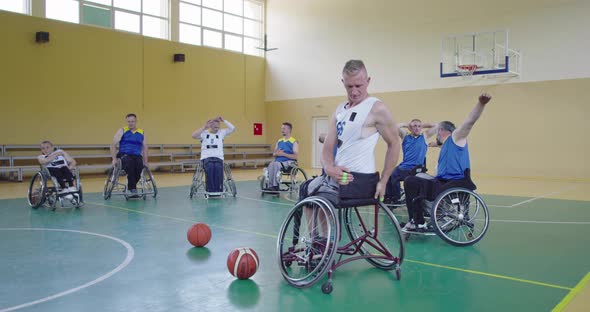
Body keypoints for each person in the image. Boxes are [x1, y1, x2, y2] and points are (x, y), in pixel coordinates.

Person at [300, 59, 400, 238]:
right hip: (337, 178)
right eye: (349, 86)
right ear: (343, 83)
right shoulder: (340, 110)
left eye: (359, 85)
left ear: (368, 81)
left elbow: (394, 143)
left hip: (359, 180)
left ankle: (324, 242)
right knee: (306, 188)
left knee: (318, 195)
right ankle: (317, 241)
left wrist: (384, 181)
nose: (354, 91)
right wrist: (330, 168)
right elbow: (327, 149)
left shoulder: (376, 108)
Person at [403, 93, 492, 231]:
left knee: (413, 182)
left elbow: (469, 122)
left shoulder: (457, 136)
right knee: (414, 178)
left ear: (441, 130)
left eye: (437, 132)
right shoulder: (446, 145)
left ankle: (422, 218)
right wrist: (436, 145)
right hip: (443, 182)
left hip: (453, 183)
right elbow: (444, 147)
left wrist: (481, 104)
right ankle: (417, 219)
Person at [384, 119, 437, 206]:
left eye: (419, 127)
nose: (417, 128)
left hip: (416, 169)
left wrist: (421, 125)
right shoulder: (405, 136)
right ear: (410, 128)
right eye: (414, 126)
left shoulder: (424, 136)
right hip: (404, 167)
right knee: (389, 174)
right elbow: (394, 126)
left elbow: (437, 126)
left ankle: (395, 197)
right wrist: (406, 124)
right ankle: (394, 198)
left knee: (393, 175)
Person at [192, 116, 236, 193]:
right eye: (215, 126)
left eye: (218, 126)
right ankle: (210, 190)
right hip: (206, 158)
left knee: (218, 169)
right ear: (211, 126)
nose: (217, 128)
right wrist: (204, 127)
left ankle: (218, 189)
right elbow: (194, 135)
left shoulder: (222, 133)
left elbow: (233, 128)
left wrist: (224, 120)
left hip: (218, 158)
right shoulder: (204, 133)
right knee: (210, 168)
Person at [110, 113, 148, 197]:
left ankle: (130, 187)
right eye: (129, 121)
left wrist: (146, 161)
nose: (130, 123)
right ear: (126, 121)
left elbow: (145, 147)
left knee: (139, 166)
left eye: (132, 121)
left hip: (137, 155)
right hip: (124, 155)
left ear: (136, 121)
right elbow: (113, 145)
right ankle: (133, 189)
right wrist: (114, 159)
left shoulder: (141, 132)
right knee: (130, 163)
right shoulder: (122, 130)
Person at [264, 122, 299, 192]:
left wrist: (283, 154)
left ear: (289, 130)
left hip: (289, 162)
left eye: (284, 128)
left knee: (276, 164)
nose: (282, 130)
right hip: (278, 161)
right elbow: (274, 153)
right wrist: (276, 153)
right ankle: (270, 186)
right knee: (271, 164)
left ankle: (275, 186)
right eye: (281, 128)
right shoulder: (279, 141)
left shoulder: (294, 142)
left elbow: (295, 156)